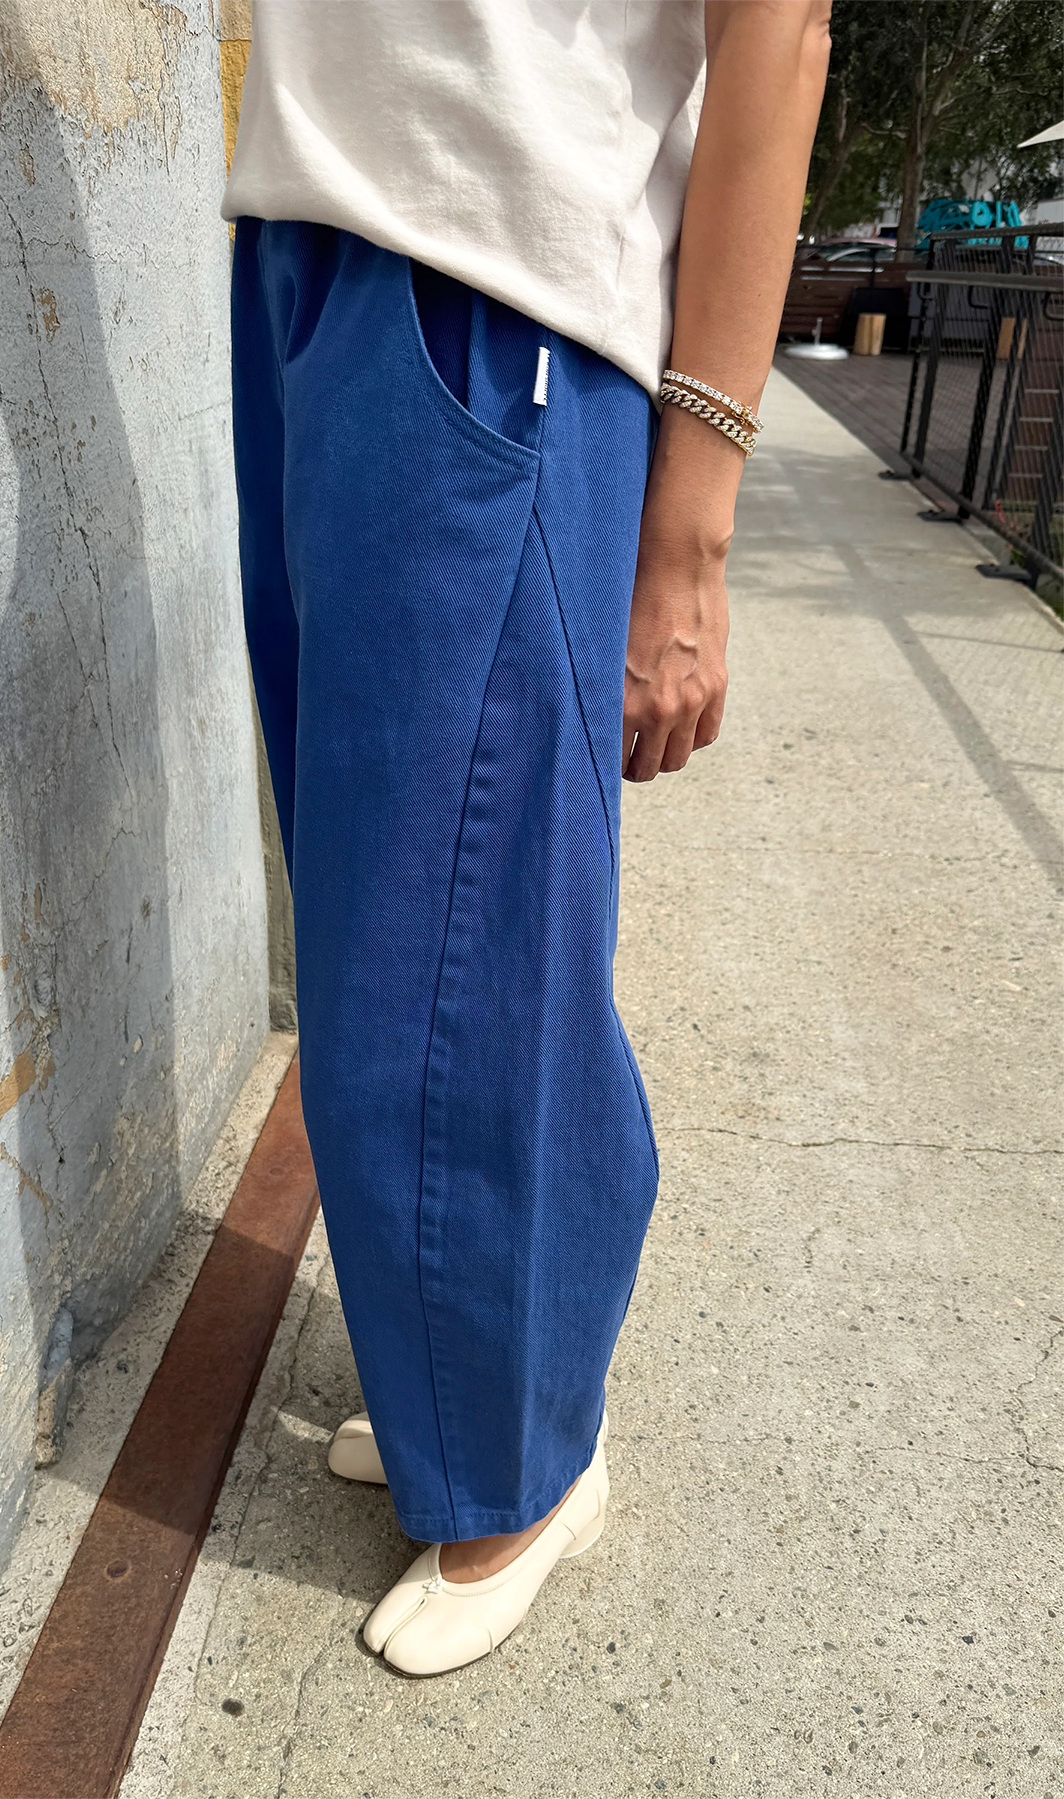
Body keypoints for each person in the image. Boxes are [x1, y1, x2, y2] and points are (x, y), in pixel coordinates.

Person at [222, 0, 830, 1676]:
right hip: (310, 258)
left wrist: (692, 528)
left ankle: (526, 1465)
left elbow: (776, 28)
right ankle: (466, 1394)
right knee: (378, 920)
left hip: (496, 289)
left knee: (461, 949)